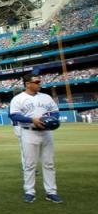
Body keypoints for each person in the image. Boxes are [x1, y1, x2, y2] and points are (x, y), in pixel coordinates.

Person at [9, 73, 63, 204]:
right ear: (28, 84)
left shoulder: (46, 97)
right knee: (29, 164)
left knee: (49, 163)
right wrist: (32, 120)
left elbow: (55, 112)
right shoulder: (18, 98)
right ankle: (29, 191)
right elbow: (14, 115)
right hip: (29, 132)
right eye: (37, 82)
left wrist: (48, 119)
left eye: (39, 81)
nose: (40, 83)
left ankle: (51, 192)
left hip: (46, 132)